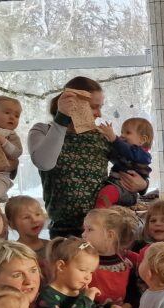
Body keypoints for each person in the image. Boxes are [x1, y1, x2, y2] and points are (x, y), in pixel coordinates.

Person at [29, 76, 147, 238]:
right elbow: (44, 163)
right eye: (94, 107)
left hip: (100, 229)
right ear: (74, 105)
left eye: (100, 107)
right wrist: (61, 118)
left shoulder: (100, 136)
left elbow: (131, 163)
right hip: (62, 230)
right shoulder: (42, 130)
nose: (99, 114)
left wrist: (143, 184)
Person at [93, 117, 153, 208]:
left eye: (128, 133)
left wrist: (114, 138)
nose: (122, 135)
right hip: (117, 186)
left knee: (106, 194)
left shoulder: (142, 154)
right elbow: (113, 156)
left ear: (142, 140)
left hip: (127, 191)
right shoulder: (127, 151)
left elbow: (127, 151)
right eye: (122, 132)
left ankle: (98, 218)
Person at [5, 195, 50, 264]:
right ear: (12, 224)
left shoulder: (52, 247)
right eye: (26, 217)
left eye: (37, 214)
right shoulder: (12, 252)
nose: (34, 220)